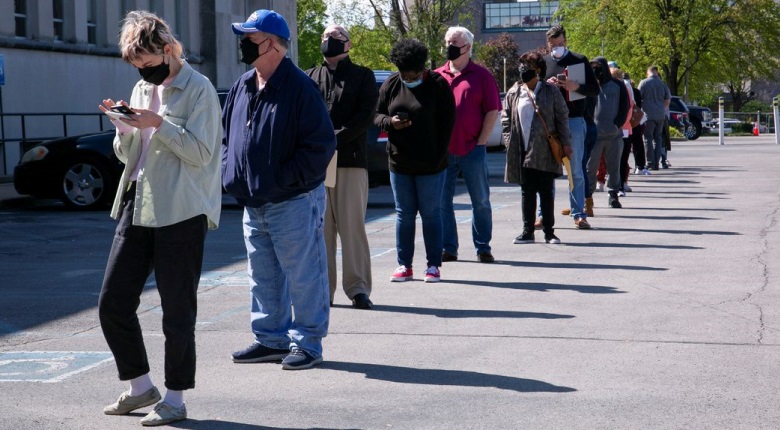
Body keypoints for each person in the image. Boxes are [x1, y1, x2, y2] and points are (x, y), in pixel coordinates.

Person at [97, 10, 222, 426]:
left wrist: (158, 123)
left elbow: (203, 154)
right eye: (138, 67)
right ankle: (140, 387)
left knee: (177, 310)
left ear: (168, 50)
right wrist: (124, 129)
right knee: (113, 302)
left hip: (181, 211)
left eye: (149, 65)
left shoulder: (199, 88)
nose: (145, 74)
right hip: (139, 201)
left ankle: (175, 398)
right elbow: (129, 155)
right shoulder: (138, 87)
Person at [223, 10, 336, 370]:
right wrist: (232, 174)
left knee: (304, 275)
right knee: (263, 276)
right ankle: (270, 338)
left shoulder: (301, 87)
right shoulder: (242, 85)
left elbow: (320, 147)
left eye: (250, 38)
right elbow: (229, 138)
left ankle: (308, 343)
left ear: (271, 44)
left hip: (293, 201)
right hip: (253, 202)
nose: (242, 44)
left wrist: (283, 180)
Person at [305, 25, 378, 310]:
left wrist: (331, 138)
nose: (327, 40)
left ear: (348, 44)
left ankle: (358, 288)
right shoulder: (309, 77)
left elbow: (365, 117)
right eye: (324, 36)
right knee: (321, 230)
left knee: (352, 227)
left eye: (334, 37)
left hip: (350, 160)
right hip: (317, 165)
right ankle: (325, 290)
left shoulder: (363, 76)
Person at [375, 38, 455, 283]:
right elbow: (376, 115)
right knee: (404, 215)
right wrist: (391, 123)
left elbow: (448, 124)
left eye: (413, 75)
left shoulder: (439, 85)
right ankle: (404, 265)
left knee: (431, 214)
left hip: (431, 164)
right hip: (400, 163)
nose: (408, 79)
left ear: (422, 69)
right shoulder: (391, 83)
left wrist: (438, 157)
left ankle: (433, 266)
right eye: (405, 75)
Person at [434, 26, 502, 264]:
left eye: (454, 42)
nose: (449, 47)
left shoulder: (482, 76)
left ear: (468, 47)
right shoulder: (436, 75)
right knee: (442, 202)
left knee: (480, 201)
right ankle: (448, 248)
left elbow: (493, 110)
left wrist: (481, 141)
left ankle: (483, 247)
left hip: (472, 149)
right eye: (447, 42)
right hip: (443, 152)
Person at [502, 49, 571, 245]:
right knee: (527, 191)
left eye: (529, 67)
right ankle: (527, 231)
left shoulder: (551, 91)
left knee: (546, 191)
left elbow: (562, 118)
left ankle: (549, 232)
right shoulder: (514, 91)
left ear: (539, 70)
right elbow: (505, 117)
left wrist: (566, 144)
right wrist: (509, 140)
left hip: (546, 148)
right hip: (522, 149)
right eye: (522, 66)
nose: (524, 70)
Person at [543, 25, 599, 230]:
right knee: (547, 170)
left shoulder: (579, 60)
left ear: (565, 41)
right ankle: (543, 215)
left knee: (575, 170)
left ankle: (579, 213)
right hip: (549, 121)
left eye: (560, 43)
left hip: (574, 119)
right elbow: (534, 89)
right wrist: (546, 84)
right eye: (553, 44)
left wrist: (576, 87)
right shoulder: (544, 61)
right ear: (547, 43)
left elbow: (595, 89)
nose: (556, 47)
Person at [586, 57, 629, 209]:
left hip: (613, 135)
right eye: (593, 67)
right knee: (590, 167)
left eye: (598, 67)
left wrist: (617, 124)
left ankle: (613, 195)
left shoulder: (618, 85)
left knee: (614, 168)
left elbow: (625, 105)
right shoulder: (590, 86)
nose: (595, 70)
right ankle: (588, 196)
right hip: (594, 135)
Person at [638, 66, 671, 170]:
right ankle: (657, 163)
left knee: (647, 138)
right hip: (660, 115)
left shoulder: (643, 83)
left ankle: (650, 162)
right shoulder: (662, 84)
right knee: (658, 138)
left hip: (648, 115)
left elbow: (638, 98)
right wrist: (662, 108)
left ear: (648, 72)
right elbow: (668, 99)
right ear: (657, 72)